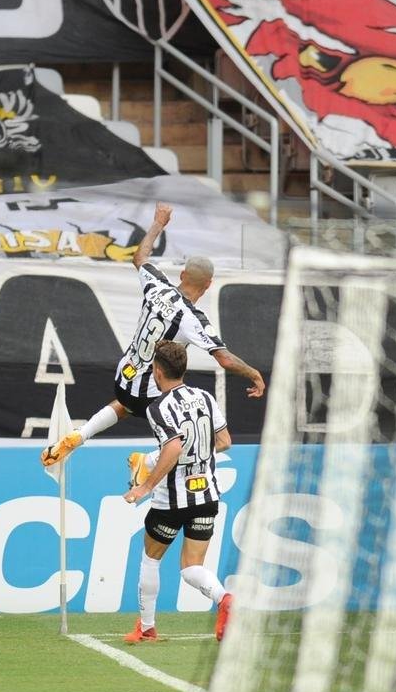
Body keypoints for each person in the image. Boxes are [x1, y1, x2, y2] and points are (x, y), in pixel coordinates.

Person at [40, 202, 264, 468]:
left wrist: (158, 223)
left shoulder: (156, 285)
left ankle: (80, 434)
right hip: (150, 389)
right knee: (214, 436)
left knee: (125, 405)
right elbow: (225, 360)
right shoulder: (193, 319)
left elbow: (140, 257)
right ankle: (146, 463)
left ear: (182, 274)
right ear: (209, 285)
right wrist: (255, 374)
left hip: (124, 377)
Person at [119, 341, 234, 643]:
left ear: (157, 371)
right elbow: (224, 442)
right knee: (192, 567)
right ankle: (224, 599)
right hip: (207, 496)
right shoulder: (206, 398)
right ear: (183, 368)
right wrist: (170, 453)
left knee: (151, 559)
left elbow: (173, 446)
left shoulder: (158, 408)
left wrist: (145, 484)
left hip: (171, 500)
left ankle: (146, 628)